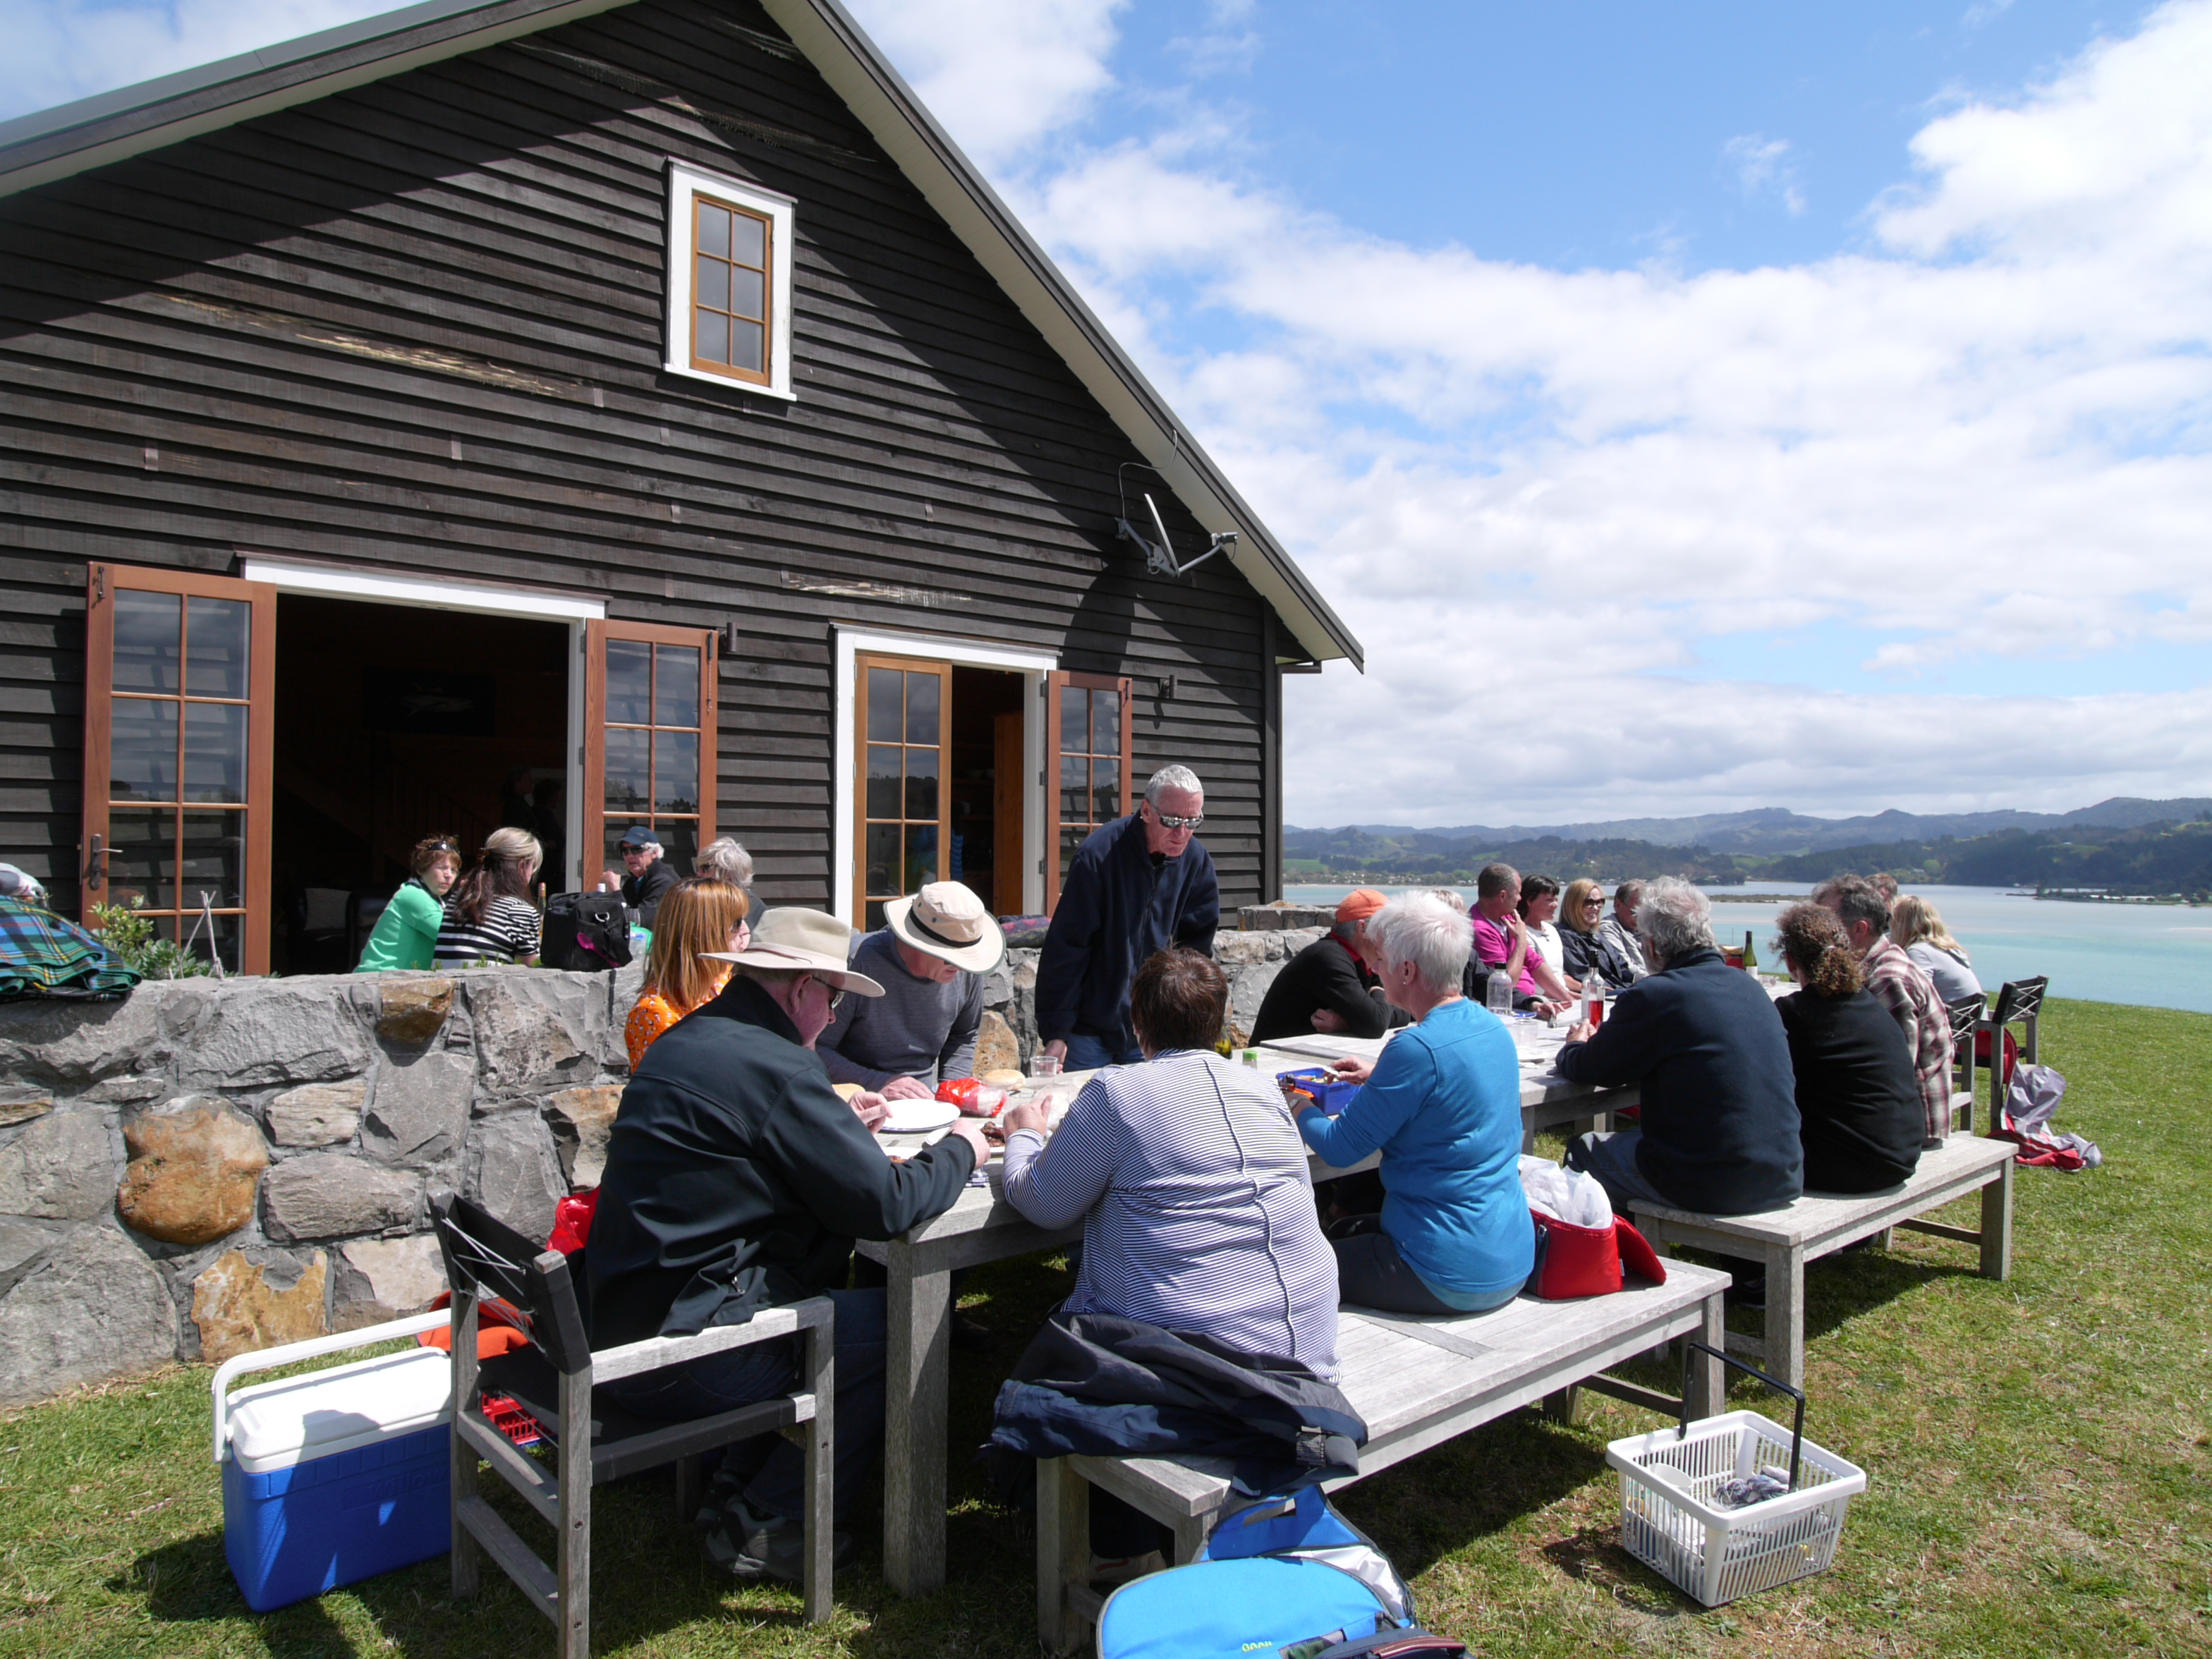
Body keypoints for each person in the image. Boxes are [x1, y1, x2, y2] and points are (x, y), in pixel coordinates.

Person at [588, 906, 990, 1582]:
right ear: (803, 987)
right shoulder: (779, 1067)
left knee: (834, 1296)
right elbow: (889, 1205)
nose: (832, 1018)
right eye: (832, 1000)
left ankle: (735, 1481)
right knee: (905, 1325)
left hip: (622, 1313)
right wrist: (963, 1149)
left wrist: (834, 1127)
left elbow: (742, 1154)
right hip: (680, 1351)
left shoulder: (690, 1037)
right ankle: (773, 1520)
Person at [1002, 947, 1339, 1559]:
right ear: (1223, 1021)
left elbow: (1044, 1203)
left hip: (1210, 1370)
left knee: (1052, 1353)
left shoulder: (1117, 1092)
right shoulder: (1264, 1090)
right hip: (1308, 1348)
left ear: (1138, 1023)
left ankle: (1100, 1528)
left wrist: (1022, 1133)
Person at [1293, 892, 1534, 1315]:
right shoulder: (1490, 1026)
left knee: (1288, 1270)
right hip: (1510, 1255)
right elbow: (1452, 1086)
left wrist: (1296, 1102)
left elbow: (1338, 1149)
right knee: (1347, 1230)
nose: (1375, 969)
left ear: (1407, 971)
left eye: (1382, 960)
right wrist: (1382, 1074)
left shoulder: (1415, 1049)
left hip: (1441, 1268)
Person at [1556, 877, 1801, 1222]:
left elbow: (1592, 1069)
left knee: (1584, 1150)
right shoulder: (1751, 988)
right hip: (1781, 1171)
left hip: (1709, 1179)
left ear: (1653, 947)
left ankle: (1625, 1248)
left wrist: (1574, 1046)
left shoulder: (1657, 995)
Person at [1035, 764, 1220, 1069]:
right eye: (1172, 821)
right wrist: (1057, 1031)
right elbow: (1067, 948)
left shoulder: (1197, 863)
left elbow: (1195, 956)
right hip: (1089, 1032)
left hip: (1156, 1031)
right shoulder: (1099, 856)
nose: (1182, 833)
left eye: (1193, 821)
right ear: (1146, 811)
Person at [1771, 904, 1924, 1193]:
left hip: (1850, 1167)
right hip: (1901, 1157)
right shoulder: (1871, 1005)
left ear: (1790, 962)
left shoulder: (1795, 1014)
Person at [818, 880, 1003, 1097]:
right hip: (855, 1099)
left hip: (925, 1102)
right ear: (917, 942)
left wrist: (953, 1093)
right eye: (951, 957)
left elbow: (963, 1036)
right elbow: (814, 1049)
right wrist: (877, 1082)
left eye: (966, 956)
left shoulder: (967, 970)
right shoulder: (857, 963)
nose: (960, 968)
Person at [1814, 875, 1955, 1146]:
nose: (1817, 933)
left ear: (1859, 929)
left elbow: (1894, 1069)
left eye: (1826, 924)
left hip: (1909, 1125)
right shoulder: (1877, 964)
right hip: (1894, 1113)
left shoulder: (1888, 980)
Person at [624, 877, 750, 1067]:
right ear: (705, 932)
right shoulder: (655, 1013)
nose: (745, 931)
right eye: (736, 923)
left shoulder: (727, 979)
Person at [1249, 888, 1402, 1045]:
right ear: (1363, 929)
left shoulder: (1368, 960)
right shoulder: (1328, 958)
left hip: (1306, 1051)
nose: (1394, 935)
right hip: (1271, 1055)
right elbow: (1375, 1024)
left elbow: (1406, 1011)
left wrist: (1347, 1023)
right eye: (1388, 927)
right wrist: (1378, 993)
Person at [435, 828, 543, 966]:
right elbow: (531, 968)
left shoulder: (458, 898)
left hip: (445, 978)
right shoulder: (519, 910)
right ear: (522, 865)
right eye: (533, 867)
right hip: (486, 980)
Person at [1469, 864, 1567, 1015]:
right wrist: (1521, 940)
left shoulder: (1507, 918)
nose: (1520, 899)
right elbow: (1505, 983)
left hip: (1531, 1002)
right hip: (1512, 1008)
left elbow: (1534, 962)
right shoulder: (1480, 929)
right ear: (1502, 896)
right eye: (1517, 893)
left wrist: (1569, 999)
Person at [356, 833, 461, 972]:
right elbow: (453, 937)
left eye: (454, 870)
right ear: (421, 869)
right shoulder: (414, 895)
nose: (449, 875)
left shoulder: (433, 899)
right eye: (442, 868)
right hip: (378, 981)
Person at [1890, 894, 1984, 1003]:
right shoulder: (1944, 948)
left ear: (1900, 924)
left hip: (1954, 1013)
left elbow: (1918, 997)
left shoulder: (1918, 952)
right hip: (1969, 1012)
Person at [1557, 877, 1634, 991]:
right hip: (1600, 995)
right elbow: (1581, 975)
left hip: (1620, 991)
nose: (1595, 908)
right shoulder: (1565, 937)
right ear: (1573, 905)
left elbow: (1623, 968)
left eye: (1599, 902)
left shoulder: (1597, 937)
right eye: (1588, 903)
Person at [601, 824, 679, 928]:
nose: (630, 856)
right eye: (625, 851)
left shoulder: (664, 881)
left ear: (654, 853)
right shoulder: (632, 882)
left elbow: (639, 922)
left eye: (637, 850)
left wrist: (615, 890)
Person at [1516, 873, 1579, 1001]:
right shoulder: (1521, 932)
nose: (1555, 905)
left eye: (1556, 900)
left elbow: (1559, 974)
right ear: (1529, 901)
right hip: (1541, 999)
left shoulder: (1551, 930)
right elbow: (1533, 978)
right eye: (1549, 900)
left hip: (1562, 994)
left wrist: (1588, 990)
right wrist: (1568, 998)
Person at [1600, 880, 1651, 982]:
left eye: (1644, 913)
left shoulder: (1646, 928)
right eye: (1634, 912)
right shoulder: (1608, 929)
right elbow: (1626, 967)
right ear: (1619, 905)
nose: (1639, 918)